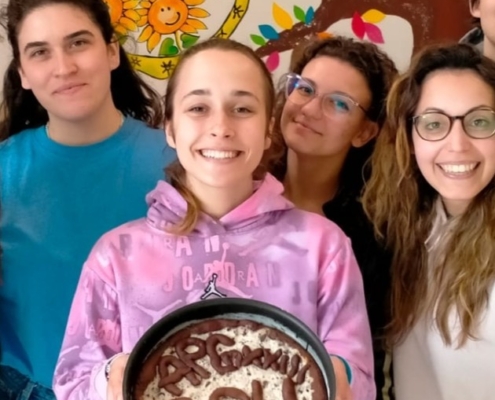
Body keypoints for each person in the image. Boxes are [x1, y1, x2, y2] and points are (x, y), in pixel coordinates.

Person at [53, 37, 375, 400]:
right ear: (170, 128)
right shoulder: (116, 255)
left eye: (242, 109)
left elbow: (360, 378)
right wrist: (109, 378)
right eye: (198, 108)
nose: (221, 127)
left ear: (268, 129)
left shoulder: (322, 246)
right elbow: (71, 383)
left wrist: (340, 377)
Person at [0, 0, 175, 397]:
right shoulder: (4, 172)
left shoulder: (181, 165)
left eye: (78, 43)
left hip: (155, 386)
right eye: (40, 52)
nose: (64, 67)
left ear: (112, 52)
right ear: (23, 73)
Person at [362, 42, 495, 400]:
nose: (458, 144)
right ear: (409, 138)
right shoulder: (406, 228)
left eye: (480, 121)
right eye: (434, 124)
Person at [270, 36, 397, 400]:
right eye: (305, 89)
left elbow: (365, 359)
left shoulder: (372, 235)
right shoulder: (238, 193)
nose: (310, 109)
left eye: (338, 103)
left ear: (365, 132)